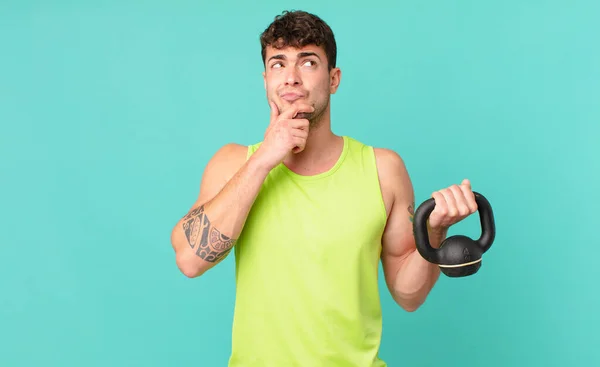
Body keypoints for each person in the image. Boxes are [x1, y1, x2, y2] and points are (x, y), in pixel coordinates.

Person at [170, 10, 479, 367]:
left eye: (308, 62)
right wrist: (264, 159)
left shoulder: (382, 170)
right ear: (265, 79)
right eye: (278, 64)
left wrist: (434, 232)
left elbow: (408, 295)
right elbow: (190, 260)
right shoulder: (233, 163)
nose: (291, 78)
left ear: (334, 79)